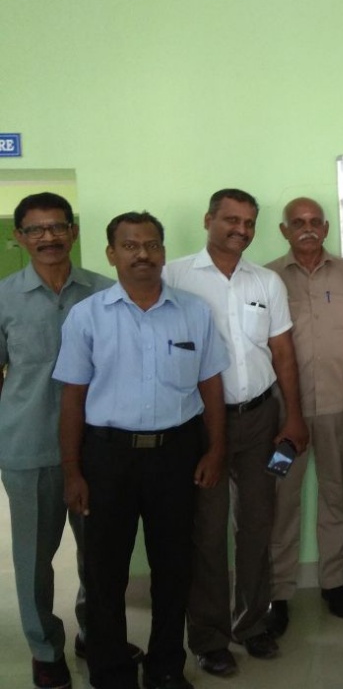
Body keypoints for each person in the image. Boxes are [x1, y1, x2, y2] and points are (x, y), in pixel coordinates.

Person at [54, 211, 229, 689]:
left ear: (164, 252)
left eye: (151, 245)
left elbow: (212, 386)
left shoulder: (193, 311)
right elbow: (72, 398)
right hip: (107, 457)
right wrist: (73, 471)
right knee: (104, 570)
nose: (143, 254)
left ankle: (166, 666)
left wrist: (215, 450)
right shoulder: (87, 316)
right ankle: (111, 670)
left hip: (176, 455)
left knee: (174, 566)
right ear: (111, 254)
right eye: (130, 246)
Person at [164, 189, 309, 676]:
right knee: (206, 533)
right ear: (208, 220)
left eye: (249, 223)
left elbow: (282, 353)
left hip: (261, 417)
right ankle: (209, 638)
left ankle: (252, 624)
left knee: (257, 525)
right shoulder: (175, 277)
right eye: (231, 220)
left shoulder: (265, 281)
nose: (241, 230)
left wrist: (293, 416)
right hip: (201, 425)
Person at [0, 193, 121, 689]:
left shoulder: (105, 292)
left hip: (98, 447)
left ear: (74, 231)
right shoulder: (4, 297)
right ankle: (44, 648)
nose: (47, 237)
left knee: (99, 553)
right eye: (35, 229)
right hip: (27, 446)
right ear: (19, 237)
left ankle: (96, 633)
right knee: (34, 558)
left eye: (57, 226)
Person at [264, 198, 343, 635]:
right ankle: (278, 592)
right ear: (284, 230)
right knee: (281, 499)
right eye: (297, 223)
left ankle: (334, 583)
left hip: (339, 408)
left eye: (314, 222)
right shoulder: (266, 278)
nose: (307, 229)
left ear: (325, 228)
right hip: (283, 416)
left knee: (336, 495)